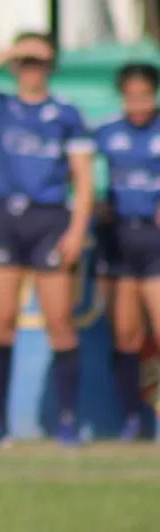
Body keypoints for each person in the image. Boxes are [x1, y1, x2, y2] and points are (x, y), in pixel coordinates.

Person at [0, 32, 95, 446]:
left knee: (60, 324)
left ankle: (68, 421)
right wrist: (11, 50)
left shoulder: (67, 114)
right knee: (3, 325)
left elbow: (84, 181)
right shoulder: (1, 106)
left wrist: (76, 230)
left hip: (51, 221)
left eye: (41, 61)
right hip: (5, 220)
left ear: (52, 66)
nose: (34, 69)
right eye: (27, 61)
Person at [94, 62, 160, 440]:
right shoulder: (106, 131)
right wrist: (93, 202)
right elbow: (76, 169)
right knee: (125, 336)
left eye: (145, 96)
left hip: (154, 242)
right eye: (131, 96)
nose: (139, 104)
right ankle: (132, 420)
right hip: (118, 242)